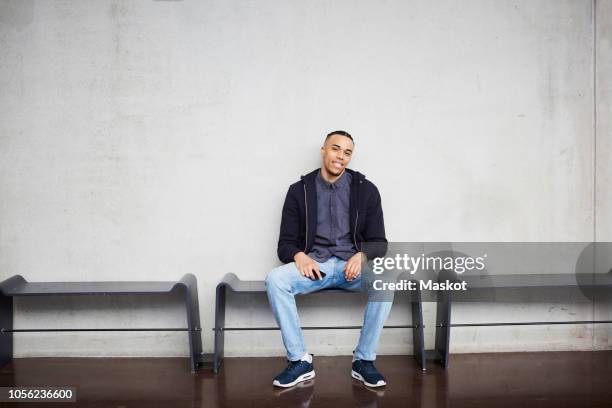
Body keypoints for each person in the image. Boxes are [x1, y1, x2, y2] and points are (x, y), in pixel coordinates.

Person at [265, 130, 392, 388]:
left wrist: (362, 255)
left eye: (347, 153)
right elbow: (284, 244)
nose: (340, 157)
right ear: (323, 150)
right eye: (336, 149)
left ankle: (363, 361)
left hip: (351, 267)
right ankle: (300, 360)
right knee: (275, 279)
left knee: (386, 281)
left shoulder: (366, 190)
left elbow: (380, 242)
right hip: (316, 267)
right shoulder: (298, 191)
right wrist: (298, 255)